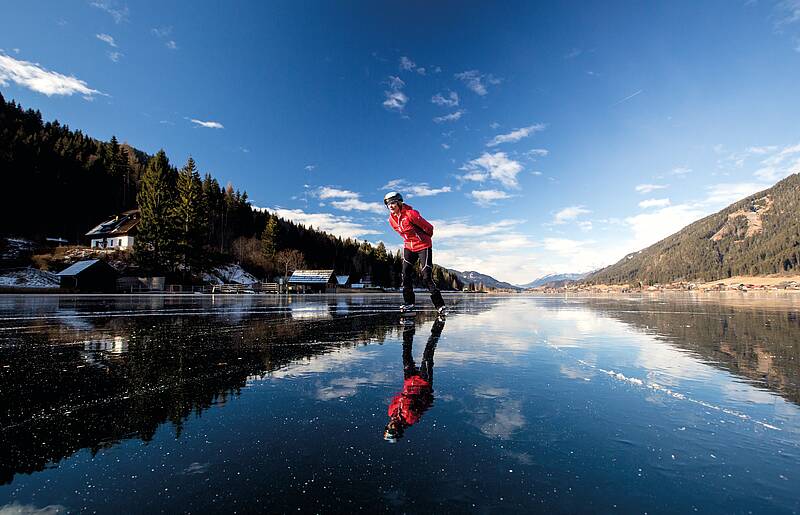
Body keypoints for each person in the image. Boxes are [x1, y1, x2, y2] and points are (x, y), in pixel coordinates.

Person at [384, 191, 446, 314]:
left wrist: (423, 238)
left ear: (399, 202)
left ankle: (440, 305)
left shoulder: (411, 214)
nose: (390, 206)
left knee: (426, 275)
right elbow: (402, 233)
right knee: (405, 274)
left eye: (393, 203)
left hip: (423, 246)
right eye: (388, 204)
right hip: (409, 247)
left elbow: (429, 228)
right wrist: (410, 241)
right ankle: (409, 303)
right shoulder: (391, 220)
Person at [384, 318, 445, 442]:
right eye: (392, 429)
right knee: (427, 356)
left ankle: (408, 328)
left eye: (388, 427)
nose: (391, 425)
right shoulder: (410, 418)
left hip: (409, 382)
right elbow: (412, 400)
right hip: (423, 383)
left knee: (406, 356)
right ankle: (437, 329)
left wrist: (405, 391)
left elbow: (398, 397)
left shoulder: (391, 413)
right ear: (398, 430)